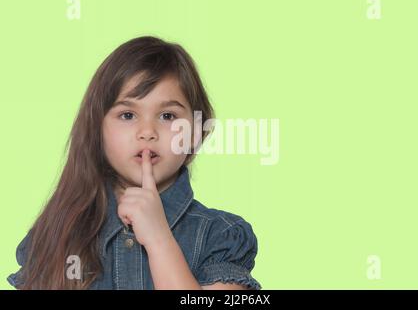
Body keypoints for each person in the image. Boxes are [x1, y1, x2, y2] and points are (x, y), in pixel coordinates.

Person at [7, 36, 261, 290]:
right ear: (98, 130)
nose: (147, 131)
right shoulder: (55, 234)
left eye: (167, 115)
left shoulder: (221, 236)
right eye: (127, 115)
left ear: (195, 132)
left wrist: (159, 238)